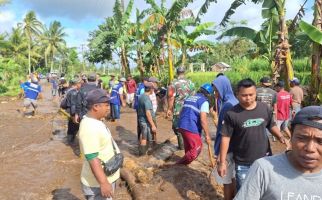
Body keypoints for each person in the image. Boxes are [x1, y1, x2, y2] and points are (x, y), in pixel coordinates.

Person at [235, 106, 322, 199]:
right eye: (302, 138)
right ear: (291, 136)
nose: (310, 148)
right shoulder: (264, 170)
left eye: (320, 141)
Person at [217, 78, 289, 191]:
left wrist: (280, 136)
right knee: (245, 192)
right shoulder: (232, 114)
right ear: (237, 95)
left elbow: (271, 125)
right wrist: (222, 162)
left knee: (265, 191)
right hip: (243, 163)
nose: (248, 98)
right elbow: (225, 138)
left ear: (256, 93)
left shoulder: (264, 108)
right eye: (244, 95)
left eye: (251, 94)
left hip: (265, 160)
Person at [79, 89, 120, 200]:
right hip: (97, 184)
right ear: (96, 107)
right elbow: (92, 157)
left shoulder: (96, 120)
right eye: (106, 105)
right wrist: (103, 182)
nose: (108, 108)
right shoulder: (89, 127)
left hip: (105, 177)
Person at [212, 75, 238, 200]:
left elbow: (223, 132)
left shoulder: (227, 105)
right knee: (233, 176)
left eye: (217, 90)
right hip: (236, 146)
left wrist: (218, 153)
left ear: (223, 88)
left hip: (227, 149)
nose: (215, 93)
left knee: (226, 180)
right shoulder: (235, 101)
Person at [176, 83, 213, 165]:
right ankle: (178, 165)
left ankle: (184, 168)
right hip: (190, 127)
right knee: (196, 149)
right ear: (208, 94)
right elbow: (203, 120)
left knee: (189, 147)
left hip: (182, 125)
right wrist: (207, 135)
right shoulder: (204, 102)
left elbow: (181, 112)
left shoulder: (190, 97)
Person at [167, 66, 195, 150]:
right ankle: (189, 146)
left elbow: (171, 97)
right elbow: (194, 96)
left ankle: (182, 147)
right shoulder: (191, 83)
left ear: (177, 73)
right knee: (187, 126)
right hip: (189, 109)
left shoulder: (174, 84)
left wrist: (169, 109)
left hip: (178, 110)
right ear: (184, 72)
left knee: (177, 127)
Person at [137, 82, 157, 156]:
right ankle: (144, 155)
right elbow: (148, 113)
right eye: (153, 89)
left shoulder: (141, 96)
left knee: (145, 137)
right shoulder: (147, 99)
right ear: (151, 89)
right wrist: (153, 125)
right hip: (146, 121)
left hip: (141, 120)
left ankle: (142, 155)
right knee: (146, 138)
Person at [257, 76, 277, 141]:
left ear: (261, 83)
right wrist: (275, 115)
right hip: (269, 113)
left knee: (259, 128)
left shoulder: (256, 91)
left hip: (258, 112)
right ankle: (266, 141)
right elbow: (275, 105)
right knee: (268, 128)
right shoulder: (274, 92)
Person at [62, 78, 82, 144]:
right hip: (72, 112)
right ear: (77, 84)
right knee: (74, 126)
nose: (81, 84)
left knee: (71, 126)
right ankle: (71, 141)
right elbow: (73, 104)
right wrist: (74, 115)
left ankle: (70, 140)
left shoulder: (69, 90)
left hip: (69, 111)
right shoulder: (73, 92)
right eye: (80, 83)